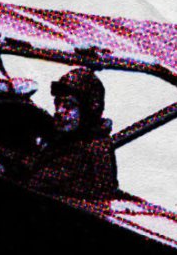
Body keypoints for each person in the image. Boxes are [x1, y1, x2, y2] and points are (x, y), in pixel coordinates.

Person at [26, 67, 119, 199]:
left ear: (88, 112)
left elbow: (35, 183)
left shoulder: (84, 153)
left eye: (69, 106)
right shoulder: (82, 140)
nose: (59, 111)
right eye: (58, 103)